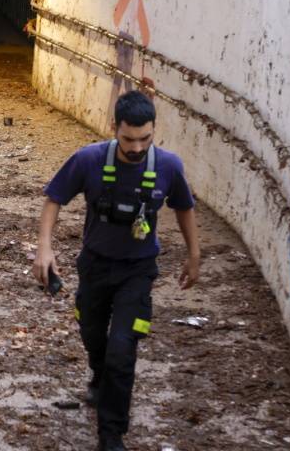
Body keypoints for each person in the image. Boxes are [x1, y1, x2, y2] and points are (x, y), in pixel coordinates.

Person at [33, 91, 200, 451]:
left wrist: (194, 254)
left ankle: (111, 434)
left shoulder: (168, 167)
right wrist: (44, 247)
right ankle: (98, 374)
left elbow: (184, 207)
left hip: (138, 271)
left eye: (145, 139)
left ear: (154, 131)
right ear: (114, 129)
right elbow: (54, 198)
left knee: (123, 349)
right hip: (94, 265)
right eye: (128, 139)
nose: (137, 148)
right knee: (93, 333)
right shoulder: (89, 160)